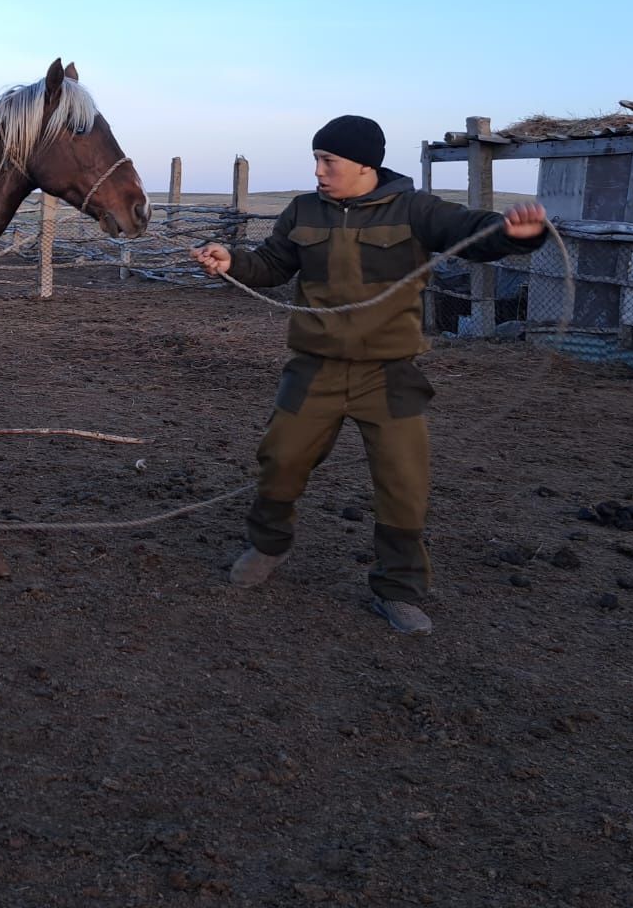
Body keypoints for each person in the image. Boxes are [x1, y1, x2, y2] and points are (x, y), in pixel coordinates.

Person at [190, 114, 548, 636]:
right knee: (280, 459)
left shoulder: (414, 210)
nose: (318, 171)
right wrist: (231, 261)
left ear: (364, 164)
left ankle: (398, 589)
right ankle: (268, 546)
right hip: (314, 366)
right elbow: (271, 263)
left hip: (389, 373)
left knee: (403, 481)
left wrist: (517, 235)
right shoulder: (302, 211)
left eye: (328, 161)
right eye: (316, 159)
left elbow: (473, 232)